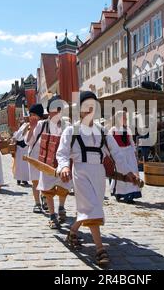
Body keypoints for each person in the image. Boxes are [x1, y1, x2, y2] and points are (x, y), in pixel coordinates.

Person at [57, 91, 137, 267]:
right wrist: (63, 166)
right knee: (92, 206)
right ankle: (100, 250)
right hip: (81, 171)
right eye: (87, 107)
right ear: (80, 110)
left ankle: (72, 232)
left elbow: (117, 153)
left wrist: (129, 172)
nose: (90, 110)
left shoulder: (102, 132)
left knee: (91, 206)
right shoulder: (71, 130)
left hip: (99, 173)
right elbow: (62, 152)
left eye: (93, 107)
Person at [31, 96, 71, 229]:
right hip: (47, 161)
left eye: (60, 109)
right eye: (55, 109)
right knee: (48, 189)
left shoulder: (67, 125)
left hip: (62, 162)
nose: (58, 112)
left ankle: (61, 207)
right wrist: (31, 128)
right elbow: (31, 142)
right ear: (49, 111)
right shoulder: (43, 125)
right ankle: (52, 216)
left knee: (63, 186)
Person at [109, 111, 142, 204]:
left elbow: (131, 141)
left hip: (129, 153)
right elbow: (110, 144)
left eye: (126, 118)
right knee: (122, 173)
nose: (126, 119)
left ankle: (130, 195)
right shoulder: (113, 130)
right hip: (119, 154)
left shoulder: (128, 129)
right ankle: (119, 193)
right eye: (124, 118)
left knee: (132, 172)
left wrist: (134, 153)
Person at [25, 103, 45, 214]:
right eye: (30, 114)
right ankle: (37, 203)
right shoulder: (30, 126)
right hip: (33, 155)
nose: (30, 116)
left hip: (44, 156)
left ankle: (45, 198)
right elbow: (27, 141)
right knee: (35, 181)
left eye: (32, 114)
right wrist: (31, 129)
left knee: (45, 180)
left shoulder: (46, 124)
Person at [12, 109, 31, 186]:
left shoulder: (30, 125)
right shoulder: (22, 127)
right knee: (19, 164)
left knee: (26, 165)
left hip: (26, 148)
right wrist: (25, 128)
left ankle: (25, 179)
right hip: (20, 148)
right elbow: (18, 137)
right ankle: (19, 178)